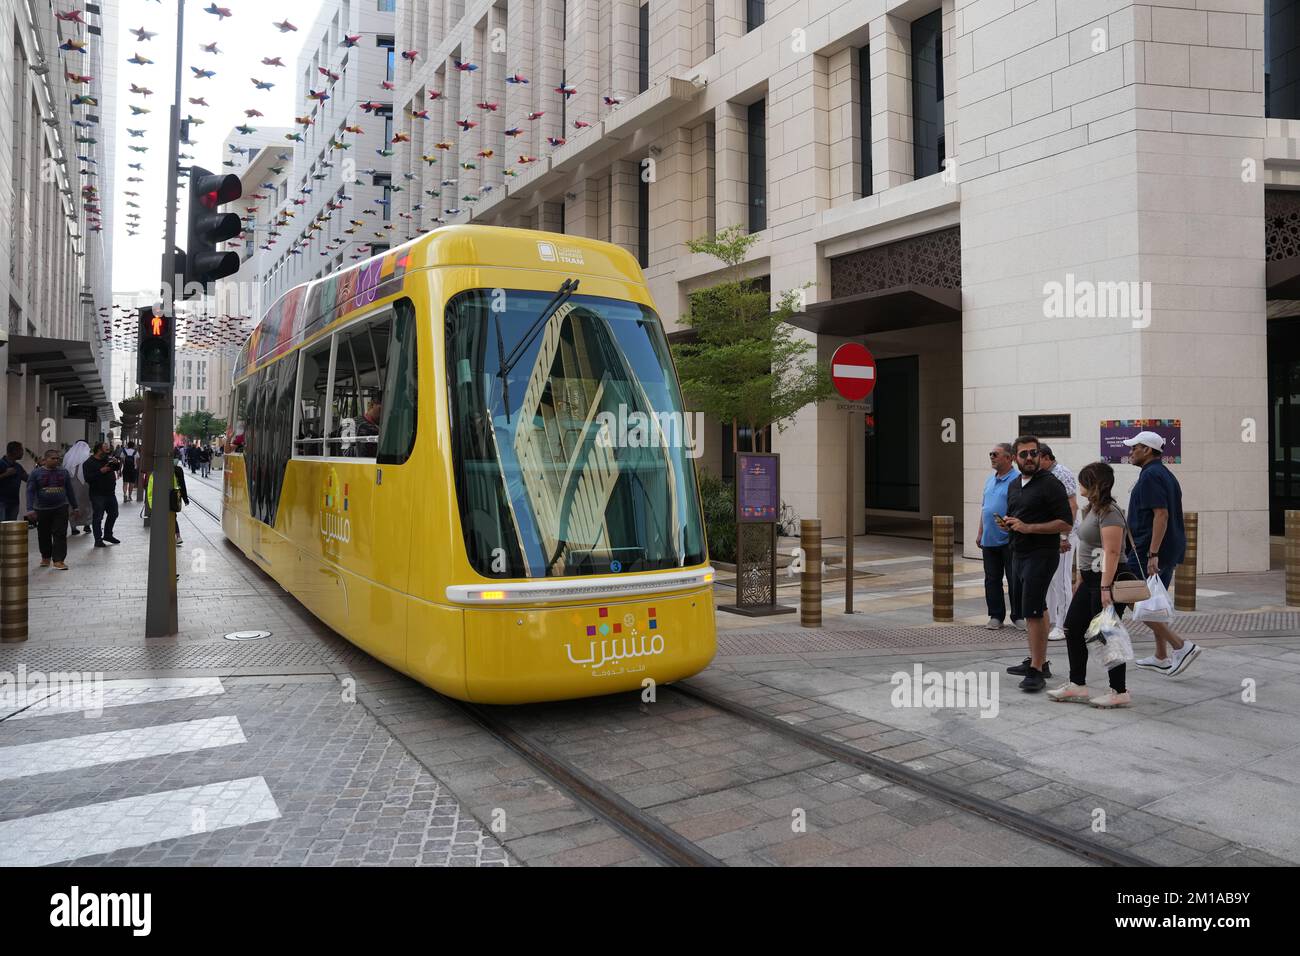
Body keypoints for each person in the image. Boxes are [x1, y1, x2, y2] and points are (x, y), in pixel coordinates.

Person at [1048, 462, 1132, 708]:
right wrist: (1081, 577)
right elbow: (1088, 547)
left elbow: (1112, 551)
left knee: (1106, 634)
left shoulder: (1110, 513)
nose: (1079, 484)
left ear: (1094, 483)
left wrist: (1105, 587)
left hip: (1107, 580)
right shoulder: (1093, 509)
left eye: (1084, 480)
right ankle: (1077, 684)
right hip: (1091, 580)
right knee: (1073, 627)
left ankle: (1119, 690)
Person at [1124, 431, 1201, 677]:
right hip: (1164, 549)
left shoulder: (1150, 476)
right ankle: (1160, 655)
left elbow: (1161, 514)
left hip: (1149, 550)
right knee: (1153, 603)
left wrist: (1152, 553)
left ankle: (1180, 646)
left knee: (1130, 598)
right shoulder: (1163, 474)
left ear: (1147, 450)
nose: (1130, 452)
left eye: (1134, 448)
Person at [1001, 435, 1074, 692]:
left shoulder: (1050, 483)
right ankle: (1038, 661)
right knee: (1034, 607)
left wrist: (1029, 527)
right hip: (1018, 552)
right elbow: (1020, 515)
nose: (1030, 458)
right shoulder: (1014, 484)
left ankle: (1036, 671)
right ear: (1015, 458)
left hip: (1041, 554)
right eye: (1024, 454)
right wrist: (1011, 522)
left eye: (1034, 453)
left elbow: (1066, 522)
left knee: (1032, 610)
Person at [977, 442, 1021, 630]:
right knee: (992, 579)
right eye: (990, 454)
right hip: (989, 539)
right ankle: (996, 615)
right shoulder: (990, 479)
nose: (992, 457)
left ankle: (1018, 616)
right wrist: (980, 531)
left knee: (1014, 578)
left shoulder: (1018, 479)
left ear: (1009, 457)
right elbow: (985, 508)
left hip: (1010, 539)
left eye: (996, 454)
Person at [1039, 444, 1079, 642]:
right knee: (1052, 579)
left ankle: (1064, 625)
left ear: (1046, 458)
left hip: (1064, 534)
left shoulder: (1061, 474)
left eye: (1036, 457)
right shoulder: (1045, 475)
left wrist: (1064, 536)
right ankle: (1052, 620)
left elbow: (1073, 507)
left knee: (1062, 580)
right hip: (1052, 533)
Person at [26, 449, 73, 570]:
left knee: (60, 534)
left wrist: (75, 506)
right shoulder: (36, 473)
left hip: (61, 507)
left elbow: (70, 490)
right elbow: (30, 491)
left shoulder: (64, 472)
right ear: (45, 459)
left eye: (58, 458)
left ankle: (59, 560)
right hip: (42, 509)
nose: (56, 460)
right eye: (53, 458)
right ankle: (46, 557)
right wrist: (30, 508)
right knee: (44, 534)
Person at [82, 441, 122, 548]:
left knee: (114, 514)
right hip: (97, 494)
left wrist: (116, 462)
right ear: (99, 449)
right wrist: (101, 471)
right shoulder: (88, 463)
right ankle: (98, 540)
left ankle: (108, 535)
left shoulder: (107, 459)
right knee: (98, 517)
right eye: (105, 447)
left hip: (110, 493)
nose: (108, 448)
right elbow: (88, 478)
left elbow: (116, 468)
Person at [147, 462, 189, 546]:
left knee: (167, 519)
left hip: (162, 502)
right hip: (171, 502)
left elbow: (150, 492)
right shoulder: (172, 472)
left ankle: (171, 537)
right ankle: (177, 536)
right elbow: (180, 486)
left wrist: (152, 506)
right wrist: (183, 498)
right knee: (173, 518)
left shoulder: (155, 474)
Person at [62, 440, 94, 536]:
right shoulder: (88, 456)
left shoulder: (68, 456)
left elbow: (64, 470)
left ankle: (73, 527)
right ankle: (87, 524)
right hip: (86, 485)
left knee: (73, 504)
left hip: (72, 485)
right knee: (87, 504)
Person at [0, 441, 30, 521]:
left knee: (11, 529)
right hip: (1, 502)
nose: (22, 453)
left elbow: (28, 479)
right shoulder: (1, 464)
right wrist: (5, 474)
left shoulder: (18, 466)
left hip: (14, 502)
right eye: (21, 450)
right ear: (14, 451)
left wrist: (39, 468)